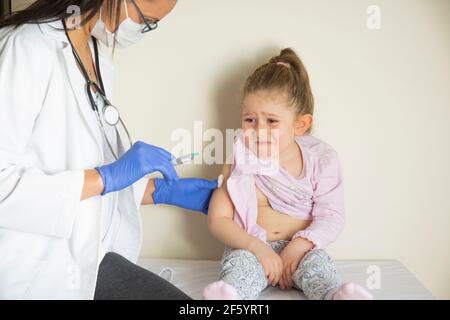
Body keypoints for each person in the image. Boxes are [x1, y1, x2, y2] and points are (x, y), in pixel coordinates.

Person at [0, 0, 216, 299]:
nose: (142, 30)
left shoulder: (97, 54)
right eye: (146, 20)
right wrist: (107, 176)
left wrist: (160, 192)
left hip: (90, 256)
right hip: (36, 268)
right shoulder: (25, 49)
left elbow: (85, 171)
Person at [203, 48, 373, 300]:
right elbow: (219, 219)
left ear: (300, 124)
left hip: (301, 251)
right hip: (251, 248)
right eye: (250, 120)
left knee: (319, 269)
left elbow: (332, 216)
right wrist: (256, 247)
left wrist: (299, 246)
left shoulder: (321, 159)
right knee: (239, 268)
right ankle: (230, 298)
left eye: (271, 121)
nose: (259, 130)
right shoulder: (240, 156)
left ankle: (336, 296)